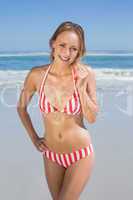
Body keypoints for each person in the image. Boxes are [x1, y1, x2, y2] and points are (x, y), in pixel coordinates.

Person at [17, 21, 99, 200]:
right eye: (62, 45)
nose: (67, 52)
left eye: (74, 49)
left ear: (79, 52)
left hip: (80, 153)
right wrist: (34, 138)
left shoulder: (86, 74)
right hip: (51, 155)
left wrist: (81, 87)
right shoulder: (36, 75)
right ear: (52, 43)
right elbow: (21, 108)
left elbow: (92, 117)